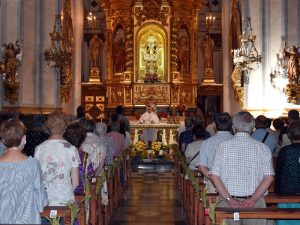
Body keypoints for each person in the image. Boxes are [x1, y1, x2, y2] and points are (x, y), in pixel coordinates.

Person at [210, 111, 274, 225]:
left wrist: (229, 199)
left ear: (233, 127)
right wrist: (253, 199)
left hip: (227, 203)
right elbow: (268, 177)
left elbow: (214, 176)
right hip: (255, 202)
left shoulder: (223, 147)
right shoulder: (263, 148)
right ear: (253, 128)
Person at [0, 119, 48, 224]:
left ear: (3, 140)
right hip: (26, 220)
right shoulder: (32, 164)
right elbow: (41, 200)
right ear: (24, 139)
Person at [35, 111, 80, 206]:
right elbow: (75, 182)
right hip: (64, 200)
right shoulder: (71, 149)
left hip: (44, 201)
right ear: (65, 127)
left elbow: (37, 178)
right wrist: (63, 194)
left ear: (48, 126)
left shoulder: (39, 149)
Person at [198, 113, 233, 193]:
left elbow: (202, 167)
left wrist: (214, 180)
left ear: (215, 127)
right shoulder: (238, 142)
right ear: (231, 126)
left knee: (214, 205)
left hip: (213, 184)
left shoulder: (207, 143)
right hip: (234, 184)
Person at [275, 120, 300, 225]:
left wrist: (277, 192)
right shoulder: (284, 151)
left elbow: (279, 173)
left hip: (286, 192)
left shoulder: (284, 151)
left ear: (289, 134)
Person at [63, 122, 94, 194]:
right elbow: (90, 174)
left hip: (63, 190)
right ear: (83, 138)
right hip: (81, 192)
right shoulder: (85, 155)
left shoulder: (62, 153)